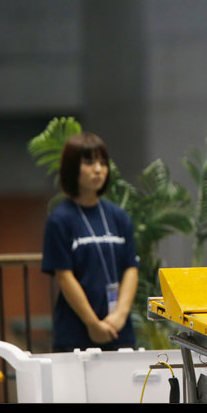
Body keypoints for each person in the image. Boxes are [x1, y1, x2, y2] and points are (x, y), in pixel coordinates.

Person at [41, 132, 139, 352]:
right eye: (89, 162)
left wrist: (120, 315)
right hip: (75, 333)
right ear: (71, 168)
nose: (98, 169)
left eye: (103, 163)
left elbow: (131, 269)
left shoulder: (119, 216)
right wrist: (92, 324)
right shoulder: (60, 219)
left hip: (119, 331)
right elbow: (64, 277)